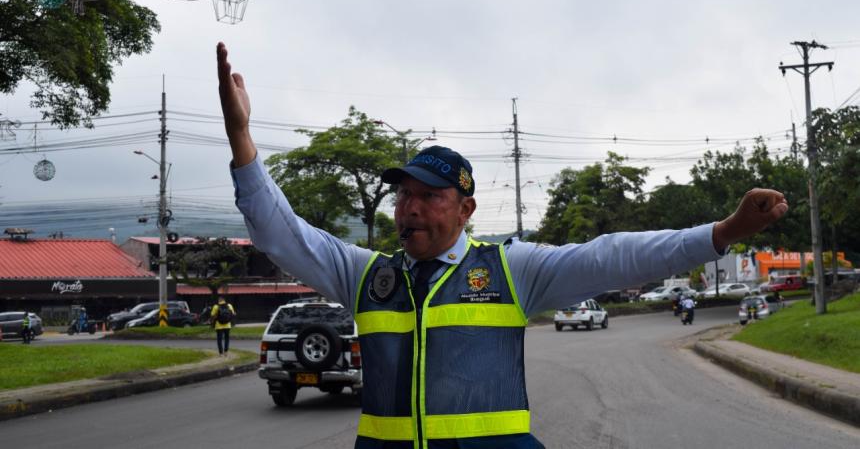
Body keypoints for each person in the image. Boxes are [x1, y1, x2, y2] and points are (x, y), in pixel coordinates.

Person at [216, 42, 789, 449]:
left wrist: (725, 232)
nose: (409, 206)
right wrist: (242, 137)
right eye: (404, 195)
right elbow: (279, 232)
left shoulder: (510, 270)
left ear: (466, 210)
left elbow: (611, 255)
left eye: (428, 196)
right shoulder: (367, 275)